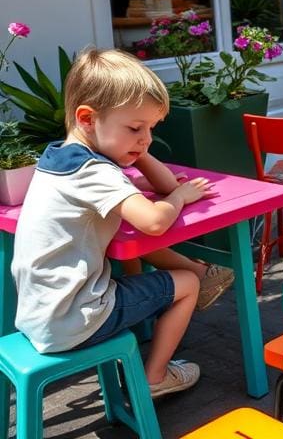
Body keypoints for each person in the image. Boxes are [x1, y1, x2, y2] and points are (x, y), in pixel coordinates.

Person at [10, 49, 236, 397]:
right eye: (135, 127)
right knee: (186, 283)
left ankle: (200, 277)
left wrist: (137, 149)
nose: (145, 138)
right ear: (87, 119)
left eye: (150, 128)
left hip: (40, 314)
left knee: (132, 248)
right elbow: (155, 222)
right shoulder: (95, 172)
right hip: (77, 318)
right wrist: (180, 198)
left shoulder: (59, 157)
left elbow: (160, 185)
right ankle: (155, 379)